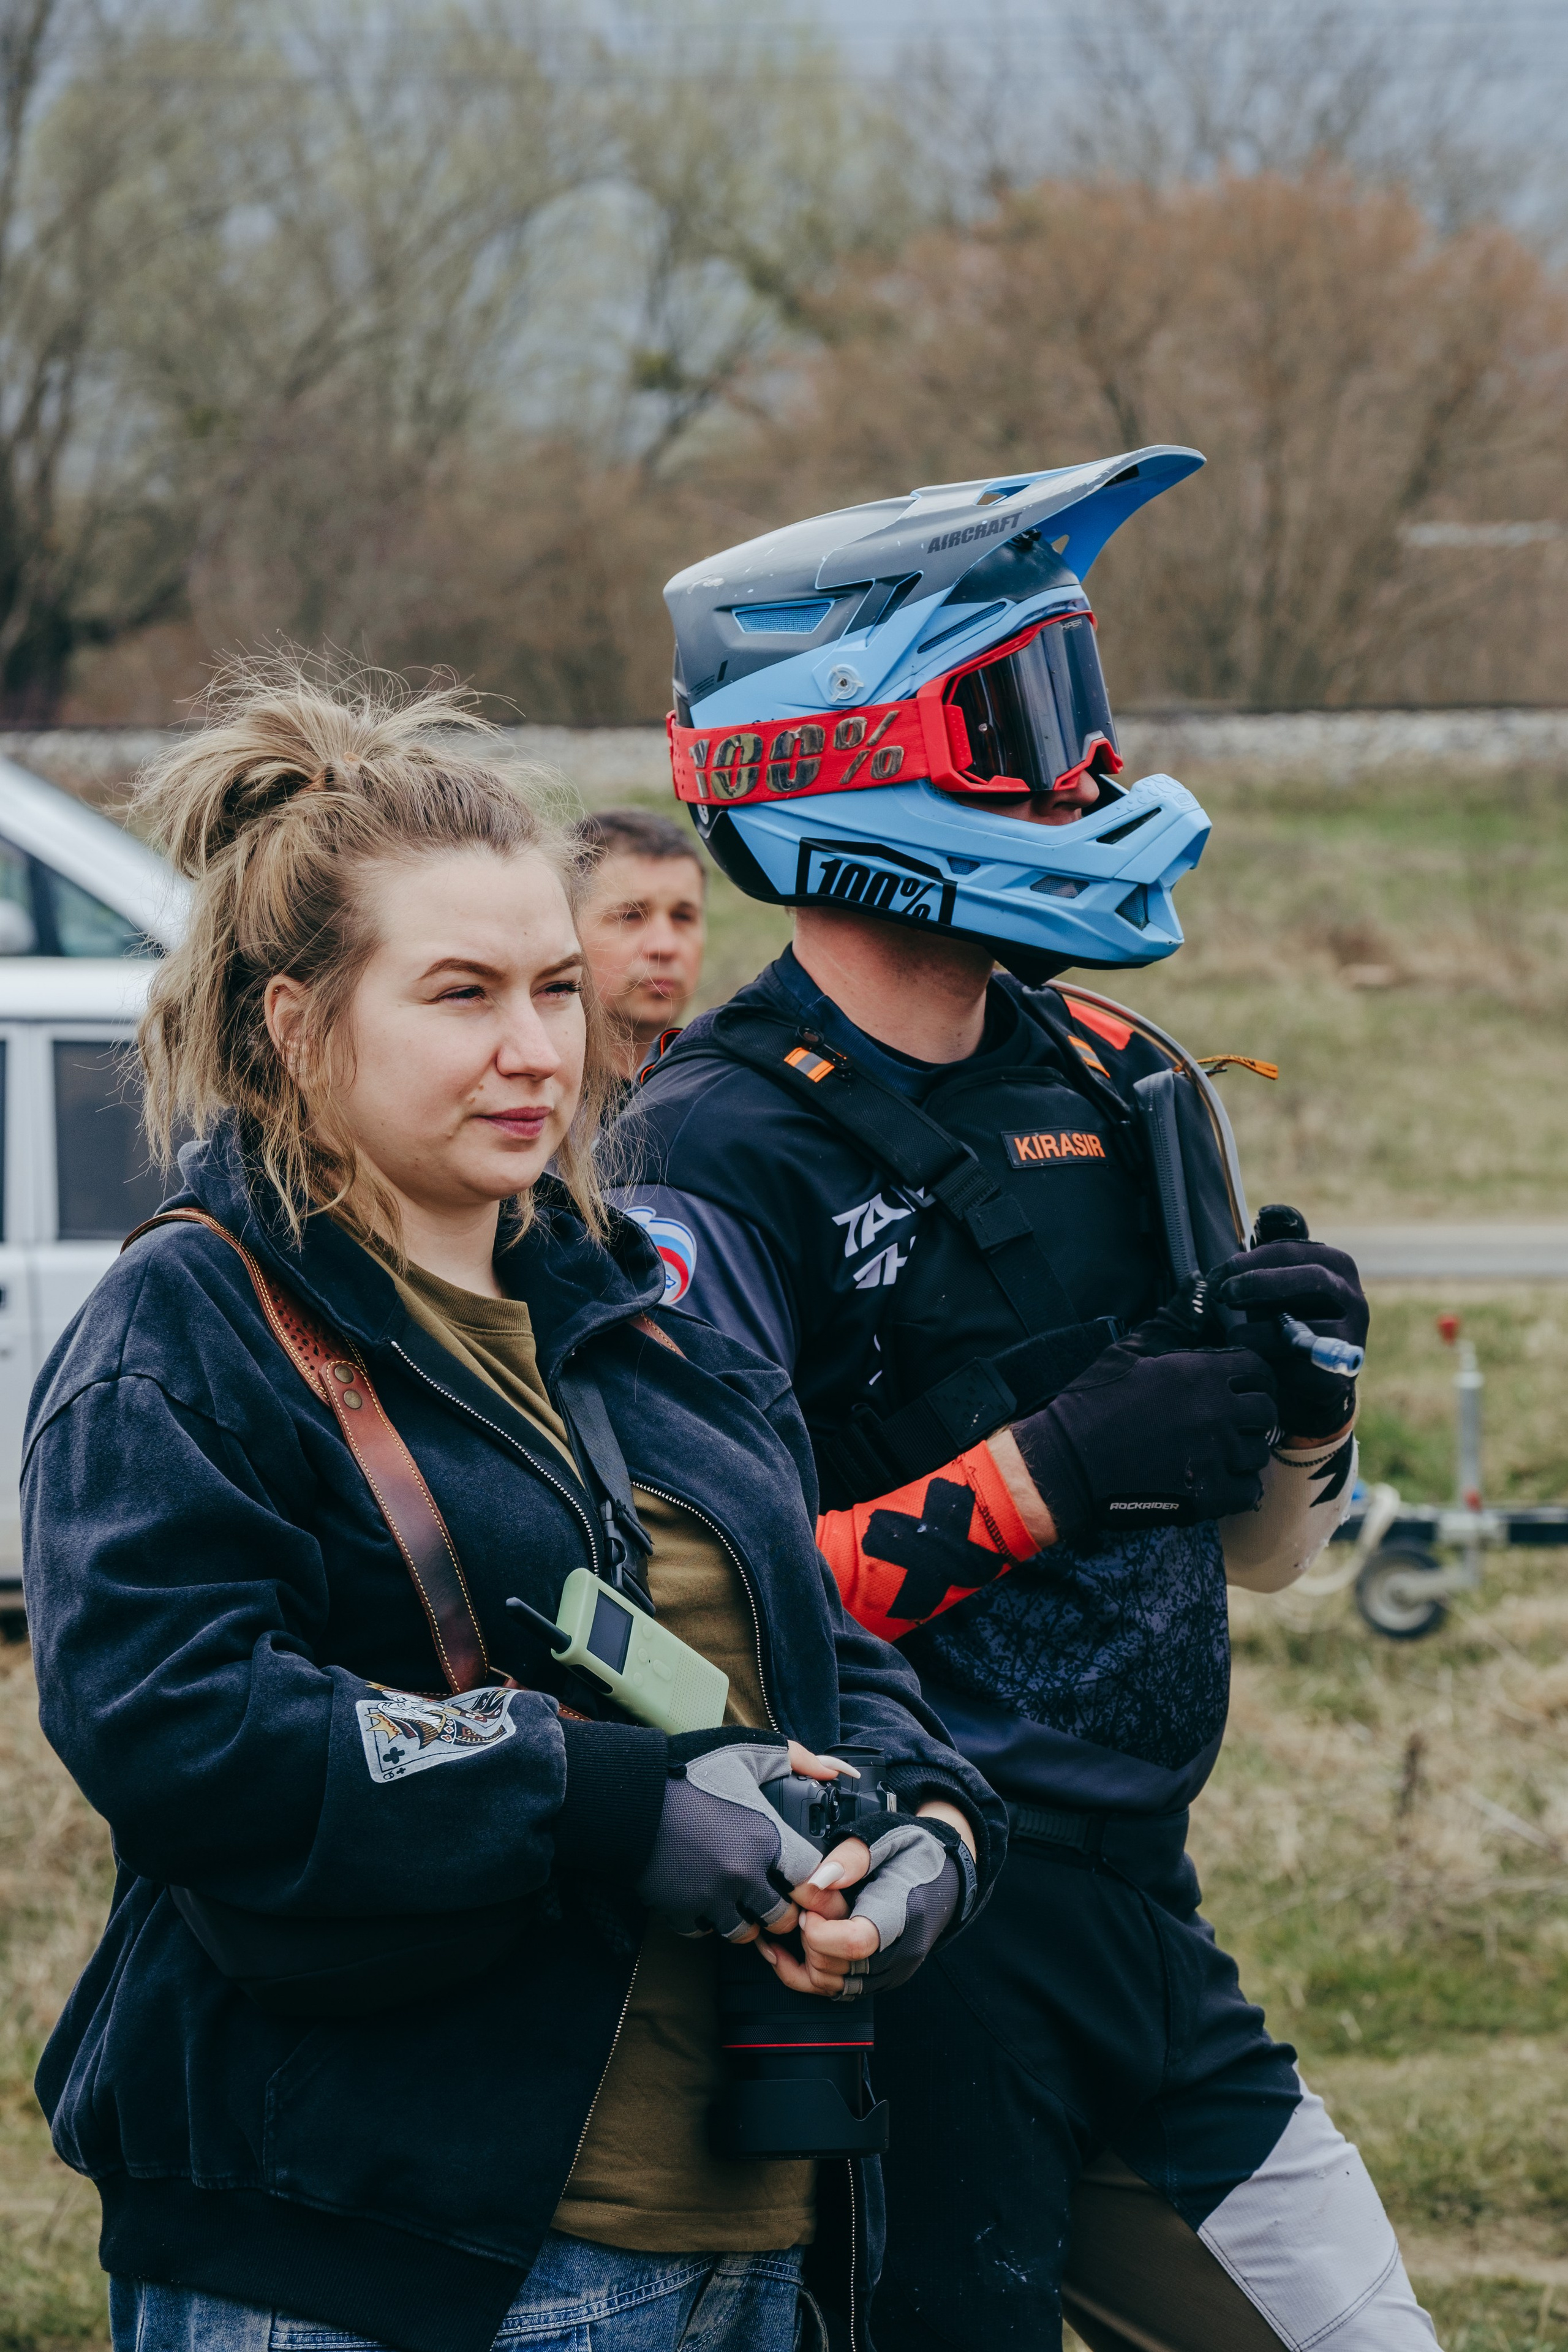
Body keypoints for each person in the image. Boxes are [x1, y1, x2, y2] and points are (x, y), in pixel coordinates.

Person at [21, 665, 1004, 2352]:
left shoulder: (641, 1320)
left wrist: (927, 1830)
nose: (537, 1050)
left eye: (555, 988)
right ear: (296, 1022)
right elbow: (175, 1723)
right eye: (462, 994)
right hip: (372, 2259)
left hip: (746, 2240)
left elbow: (817, 1647)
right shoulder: (189, 1328)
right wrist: (608, 1800)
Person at [619, 451, 1440, 2350]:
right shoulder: (708, 1150)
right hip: (902, 1931)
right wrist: (1047, 1471)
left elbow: (1261, 1563)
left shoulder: (1127, 1078)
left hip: (1146, 1917)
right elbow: (710, 1618)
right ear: (843, 756)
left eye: (1084, 709)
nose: (1088, 771)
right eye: (1027, 720)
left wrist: (1307, 1411)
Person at [575, 807, 707, 1079]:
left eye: (683, 917)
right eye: (630, 916)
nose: (665, 947)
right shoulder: (533, 1094)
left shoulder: (723, 1090)